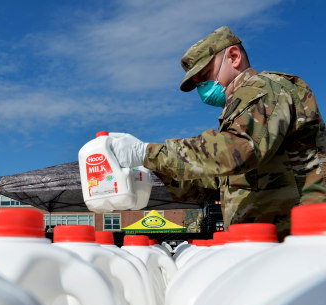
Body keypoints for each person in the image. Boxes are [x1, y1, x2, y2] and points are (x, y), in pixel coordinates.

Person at [109, 26, 326, 240]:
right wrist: (156, 171)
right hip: (263, 243)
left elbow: (239, 150)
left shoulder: (265, 88)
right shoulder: (239, 111)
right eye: (198, 84)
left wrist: (147, 152)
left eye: (205, 76)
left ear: (233, 56)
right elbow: (214, 184)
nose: (203, 88)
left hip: (298, 239)